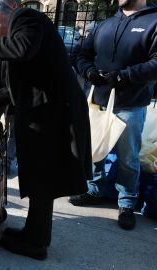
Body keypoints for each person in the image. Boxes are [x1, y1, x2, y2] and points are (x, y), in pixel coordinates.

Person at [0, 0, 92, 260]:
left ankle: (36, 244)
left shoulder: (26, 18)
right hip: (46, 113)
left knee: (44, 178)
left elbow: (22, 49)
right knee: (40, 177)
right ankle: (33, 233)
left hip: (56, 115)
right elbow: (14, 87)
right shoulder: (19, 31)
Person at [71, 0, 157, 230]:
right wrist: (88, 72)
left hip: (130, 104)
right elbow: (82, 54)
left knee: (128, 159)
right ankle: (94, 190)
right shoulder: (104, 24)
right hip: (97, 101)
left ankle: (127, 203)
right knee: (94, 150)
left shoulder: (153, 22)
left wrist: (124, 76)